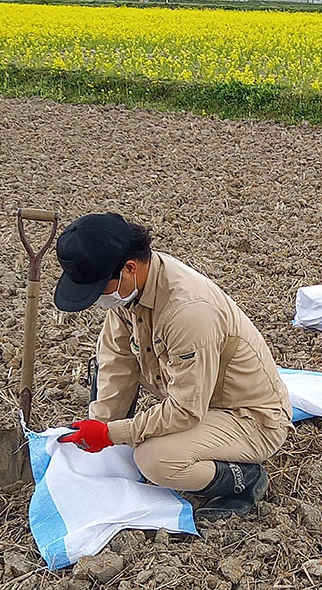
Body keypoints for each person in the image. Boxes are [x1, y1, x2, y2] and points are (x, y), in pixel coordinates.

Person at [53, 213, 292, 521]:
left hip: (249, 417)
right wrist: (98, 429)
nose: (99, 298)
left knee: (154, 459)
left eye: (100, 288)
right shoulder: (131, 292)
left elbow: (185, 410)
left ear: (129, 268)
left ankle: (244, 480)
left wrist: (113, 434)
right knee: (116, 407)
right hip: (203, 405)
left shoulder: (188, 312)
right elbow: (117, 364)